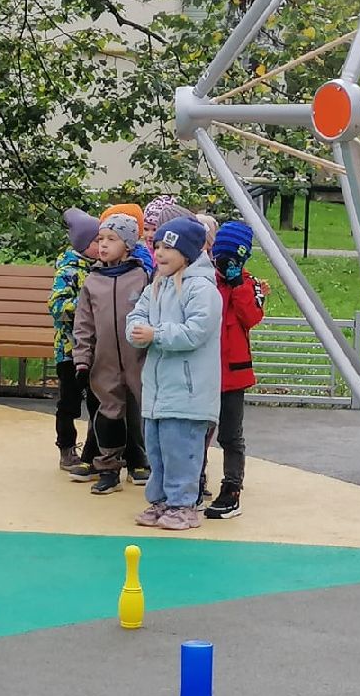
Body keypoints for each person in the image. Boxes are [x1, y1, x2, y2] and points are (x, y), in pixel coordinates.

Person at [126, 216, 220, 530]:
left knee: (182, 451)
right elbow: (137, 314)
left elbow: (195, 332)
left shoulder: (202, 290)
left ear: (188, 252)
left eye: (168, 247)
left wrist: (155, 334)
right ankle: (161, 501)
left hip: (188, 392)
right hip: (157, 390)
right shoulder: (158, 285)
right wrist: (136, 330)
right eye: (158, 246)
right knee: (157, 449)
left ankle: (184, 505)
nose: (160, 253)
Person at [72, 213, 149, 495]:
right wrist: (82, 360)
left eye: (111, 240)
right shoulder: (93, 280)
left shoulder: (141, 276)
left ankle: (148, 462)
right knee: (109, 415)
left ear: (128, 245)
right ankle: (108, 468)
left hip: (138, 360)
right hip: (104, 361)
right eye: (100, 239)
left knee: (146, 412)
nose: (102, 245)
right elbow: (83, 324)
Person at [204, 221, 265, 519]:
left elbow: (252, 317)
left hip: (234, 374)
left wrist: (237, 283)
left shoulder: (250, 284)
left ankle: (231, 488)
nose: (224, 264)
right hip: (204, 371)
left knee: (230, 435)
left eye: (231, 259)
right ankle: (193, 480)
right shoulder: (203, 280)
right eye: (221, 257)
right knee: (198, 430)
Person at [50, 208, 103, 472]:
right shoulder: (69, 269)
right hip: (69, 351)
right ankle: (66, 447)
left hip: (95, 350)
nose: (101, 246)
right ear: (84, 244)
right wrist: (86, 307)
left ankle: (94, 451)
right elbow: (57, 306)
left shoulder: (102, 268)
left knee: (98, 401)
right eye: (96, 242)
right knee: (68, 402)